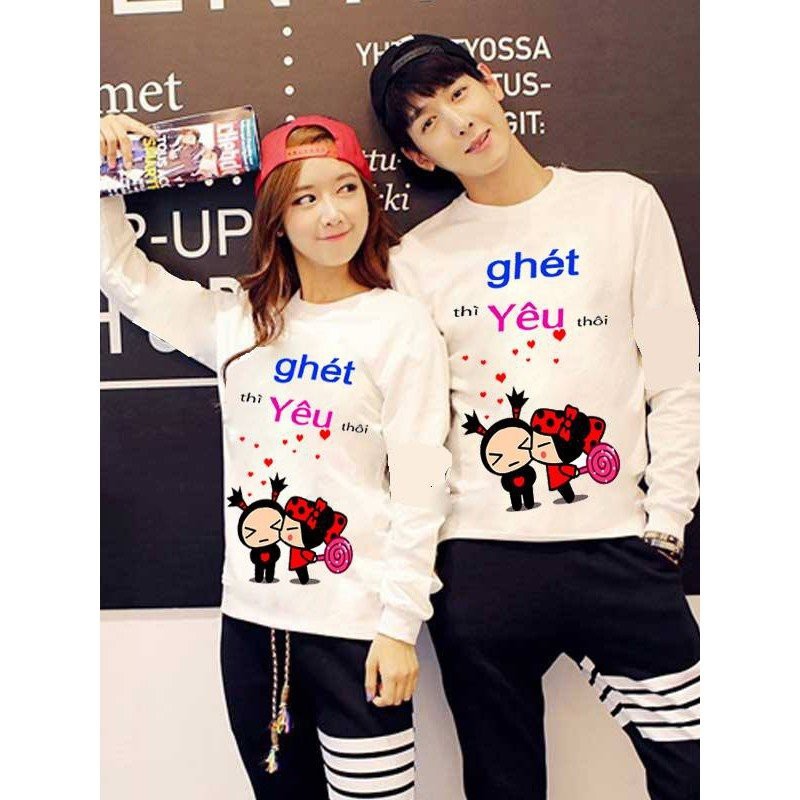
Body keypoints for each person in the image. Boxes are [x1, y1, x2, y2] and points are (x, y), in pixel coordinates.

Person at [370, 34, 700, 800]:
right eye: (427, 122)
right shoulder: (417, 260)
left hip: (619, 548)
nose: (457, 122)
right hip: (480, 565)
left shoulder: (621, 204)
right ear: (418, 156)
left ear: (491, 83)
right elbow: (417, 435)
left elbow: (678, 377)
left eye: (458, 93)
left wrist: (666, 522)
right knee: (503, 785)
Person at [100, 111, 451, 800]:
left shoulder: (398, 324)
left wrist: (398, 627)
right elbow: (122, 275)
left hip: (358, 629)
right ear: (277, 219)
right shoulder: (239, 322)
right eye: (305, 198)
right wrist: (102, 171)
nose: (332, 214)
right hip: (252, 629)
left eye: (345, 189)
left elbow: (421, 485)